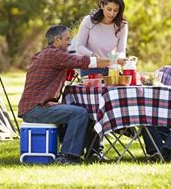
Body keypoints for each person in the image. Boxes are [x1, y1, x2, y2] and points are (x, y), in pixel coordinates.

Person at [18, 25, 124, 164]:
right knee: (79, 113)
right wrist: (113, 61)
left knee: (76, 109)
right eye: (67, 39)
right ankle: (67, 156)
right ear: (57, 40)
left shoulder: (44, 54)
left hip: (34, 107)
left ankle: (89, 151)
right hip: (36, 109)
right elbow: (84, 62)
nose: (69, 42)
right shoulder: (54, 55)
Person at [76, 0, 128, 77]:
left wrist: (118, 60)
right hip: (90, 68)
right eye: (109, 9)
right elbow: (79, 47)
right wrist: (92, 55)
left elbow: (121, 51)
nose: (112, 14)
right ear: (102, 5)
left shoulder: (122, 25)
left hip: (111, 69)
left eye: (116, 10)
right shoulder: (89, 21)